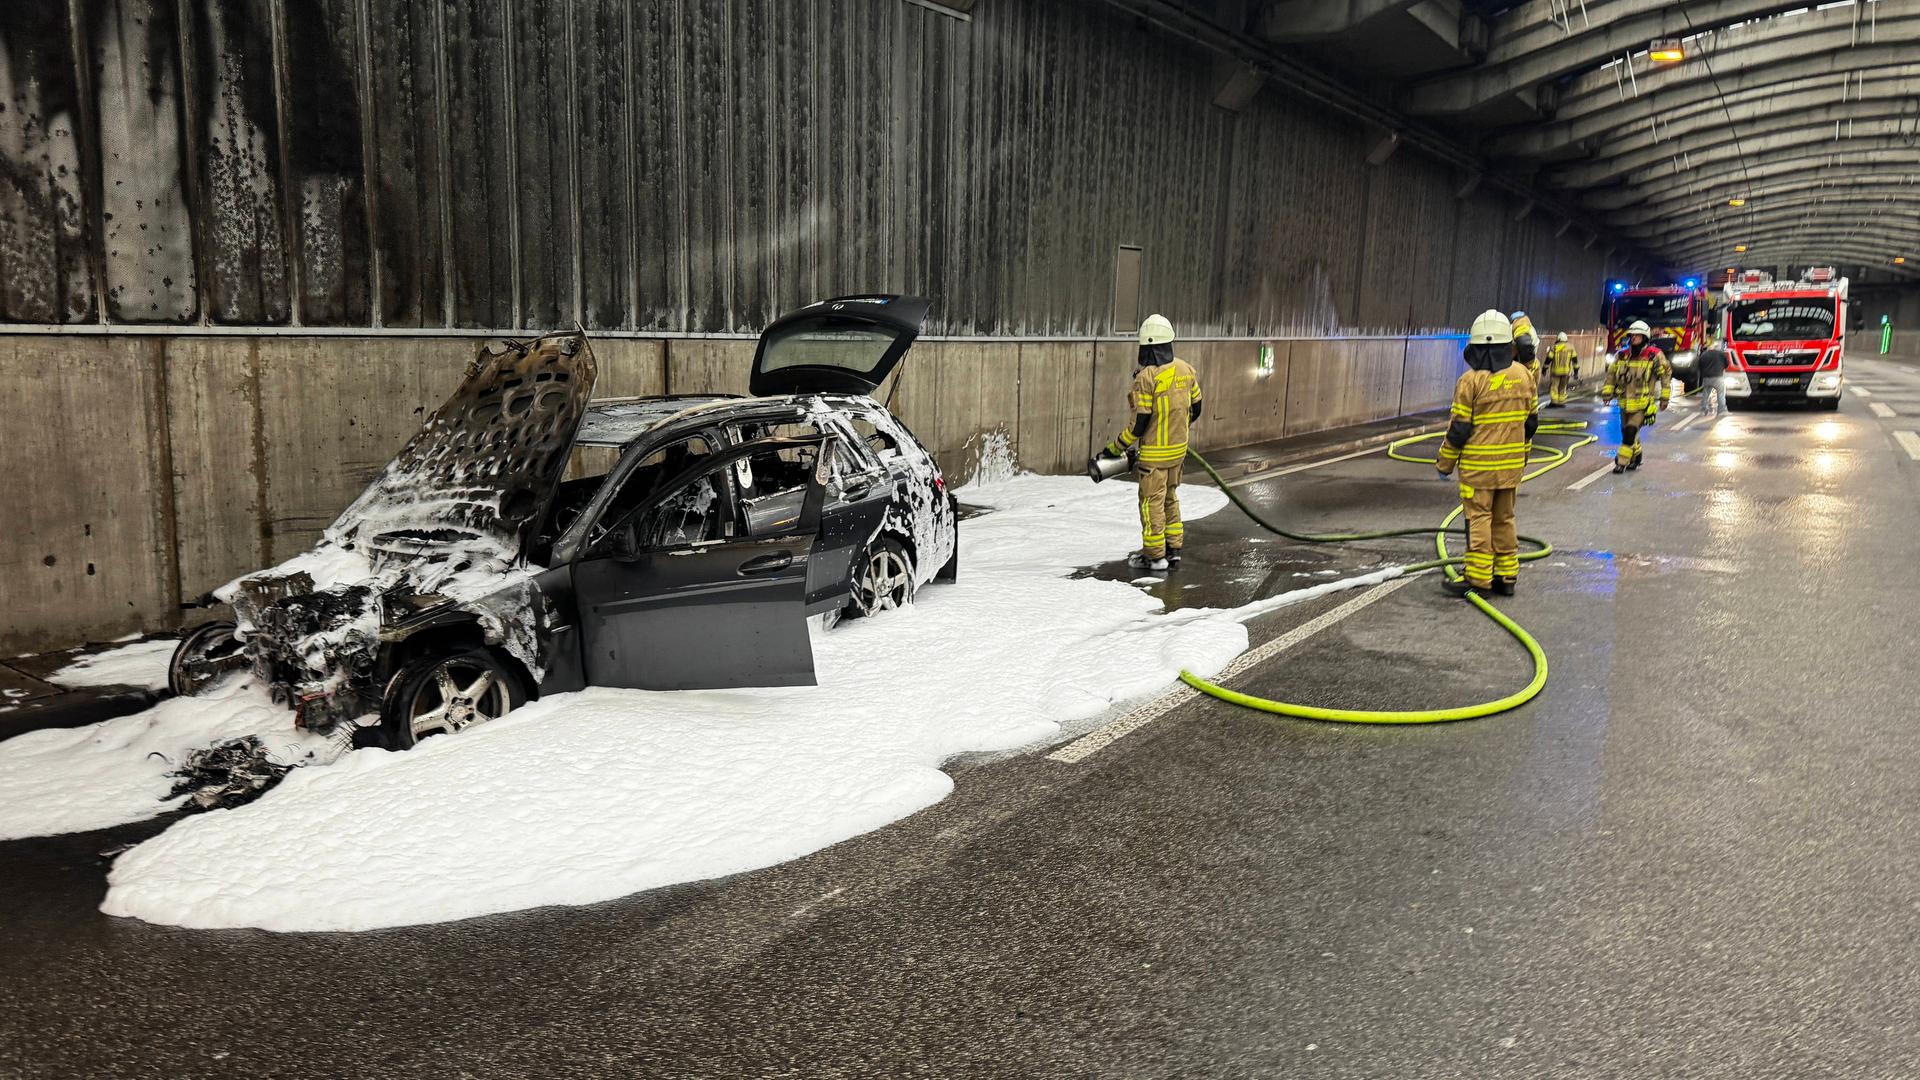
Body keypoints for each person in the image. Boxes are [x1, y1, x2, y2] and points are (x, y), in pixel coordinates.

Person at [1436, 310, 1538, 597]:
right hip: (1511, 468)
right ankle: (1506, 576)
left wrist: (1444, 464)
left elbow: (1459, 429)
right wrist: (1522, 456)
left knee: (1479, 518)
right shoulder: (1523, 375)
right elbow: (1531, 423)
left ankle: (1478, 579)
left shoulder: (1470, 381)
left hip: (1478, 469)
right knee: (1504, 518)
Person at [1098, 314, 1202, 571]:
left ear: (1147, 347)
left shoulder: (1145, 378)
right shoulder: (1185, 370)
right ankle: (1173, 549)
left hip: (1154, 456)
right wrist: (1177, 430)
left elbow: (1139, 424)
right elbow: (1197, 408)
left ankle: (1154, 556)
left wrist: (1115, 448)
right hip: (1178, 453)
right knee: (1170, 498)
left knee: (1150, 503)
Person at [1602, 319, 1672, 473]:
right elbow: (1611, 376)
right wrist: (1607, 393)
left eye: (1637, 336)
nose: (1633, 338)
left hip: (1642, 404)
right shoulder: (1621, 356)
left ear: (1645, 338)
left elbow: (1666, 376)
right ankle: (1637, 455)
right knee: (1626, 431)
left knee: (1630, 431)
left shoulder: (1654, 356)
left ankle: (1621, 462)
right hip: (1624, 402)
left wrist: (1664, 398)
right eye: (1632, 335)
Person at [1695, 333, 1729, 418]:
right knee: (1721, 394)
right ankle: (1721, 410)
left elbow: (1699, 366)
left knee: (1705, 394)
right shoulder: (1721, 354)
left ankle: (1703, 410)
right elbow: (1726, 364)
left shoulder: (1704, 355)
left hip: (1707, 378)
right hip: (1718, 377)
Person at [1544, 332, 1579, 407]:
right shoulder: (1571, 348)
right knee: (1563, 387)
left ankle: (1554, 402)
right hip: (1566, 372)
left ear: (1558, 339)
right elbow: (1575, 361)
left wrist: (1544, 369)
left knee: (1554, 387)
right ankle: (1561, 402)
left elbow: (1548, 359)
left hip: (1555, 372)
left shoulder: (1554, 347)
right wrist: (1576, 372)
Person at [1510, 310, 1541, 380]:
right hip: (1530, 365)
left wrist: (1527, 366)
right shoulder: (1530, 328)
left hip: (1522, 366)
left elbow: (1524, 343)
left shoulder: (1521, 324)